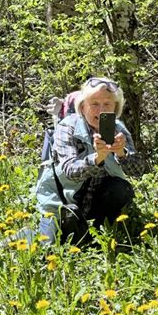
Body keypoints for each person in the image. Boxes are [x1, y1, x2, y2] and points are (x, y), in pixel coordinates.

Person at [36, 77, 144, 244]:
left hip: (97, 201)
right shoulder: (68, 127)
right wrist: (96, 158)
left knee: (121, 189)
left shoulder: (119, 129)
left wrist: (122, 153)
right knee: (46, 245)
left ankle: (97, 235)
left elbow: (138, 172)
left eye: (107, 104)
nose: (101, 110)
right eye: (94, 103)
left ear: (116, 108)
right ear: (82, 106)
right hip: (62, 199)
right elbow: (70, 170)